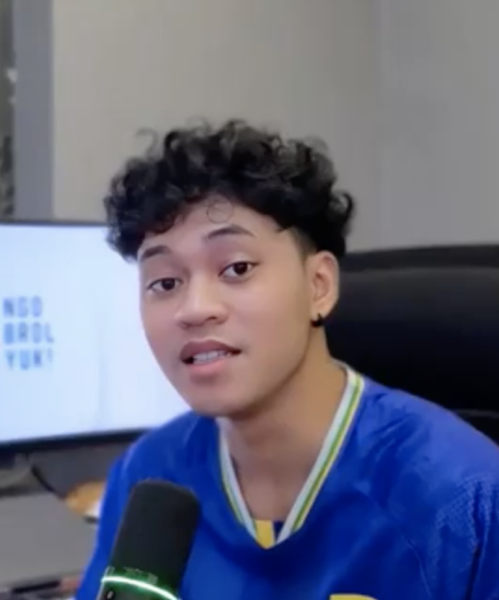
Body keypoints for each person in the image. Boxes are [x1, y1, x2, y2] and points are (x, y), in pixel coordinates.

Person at [76, 120, 499, 600]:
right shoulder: (149, 478)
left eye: (236, 268)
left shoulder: (461, 496)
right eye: (165, 283)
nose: (194, 309)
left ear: (319, 286)